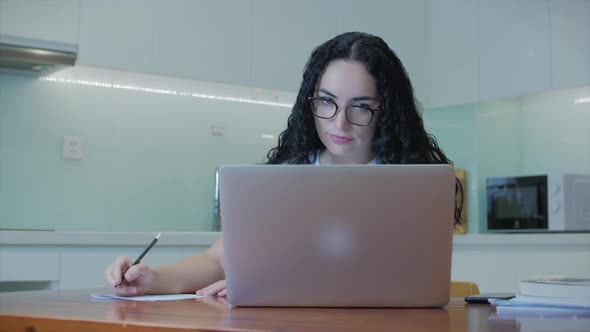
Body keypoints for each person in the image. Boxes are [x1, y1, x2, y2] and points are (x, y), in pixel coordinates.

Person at [104, 31, 463, 297]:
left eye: (361, 107)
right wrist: (152, 279)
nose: (338, 123)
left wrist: (271, 285)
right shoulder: (288, 175)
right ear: (311, 100)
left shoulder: (413, 184)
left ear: (386, 111)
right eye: (326, 102)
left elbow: (406, 277)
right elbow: (219, 260)